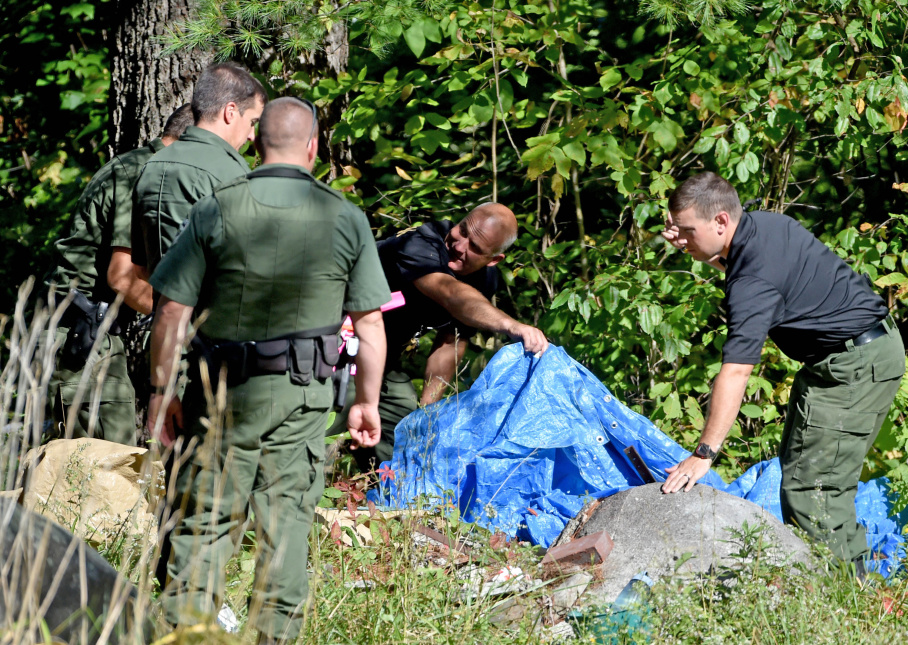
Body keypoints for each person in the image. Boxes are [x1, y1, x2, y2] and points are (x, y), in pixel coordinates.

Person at [147, 96, 390, 644]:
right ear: (313, 146)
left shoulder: (217, 207)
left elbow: (170, 312)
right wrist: (366, 402)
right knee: (285, 532)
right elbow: (370, 325)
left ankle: (186, 635)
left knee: (205, 521)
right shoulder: (345, 216)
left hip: (221, 396)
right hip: (304, 398)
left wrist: (161, 392)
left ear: (256, 144)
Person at [658, 172, 905, 574]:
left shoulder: (752, 279)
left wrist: (704, 454)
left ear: (721, 221)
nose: (680, 239)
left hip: (852, 367)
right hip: (859, 352)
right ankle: (840, 585)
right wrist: (701, 250)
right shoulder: (763, 226)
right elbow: (763, 278)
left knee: (814, 490)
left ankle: (847, 602)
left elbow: (736, 372)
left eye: (687, 231)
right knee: (804, 474)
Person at [329, 203, 549, 469]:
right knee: (313, 420)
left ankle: (382, 498)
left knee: (407, 430)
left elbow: (450, 343)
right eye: (463, 230)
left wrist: (426, 412)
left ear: (493, 260)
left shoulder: (485, 280)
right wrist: (512, 326)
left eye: (475, 247)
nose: (459, 245)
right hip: (331, 347)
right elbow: (449, 293)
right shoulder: (419, 242)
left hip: (380, 362)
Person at [44, 104, 195, 444]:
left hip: (91, 334)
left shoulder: (145, 167)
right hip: (81, 336)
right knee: (103, 465)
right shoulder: (146, 173)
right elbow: (123, 277)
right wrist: (177, 318)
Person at [132, 62, 266, 274]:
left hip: (161, 304)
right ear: (230, 111)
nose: (251, 135)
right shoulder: (231, 174)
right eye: (252, 121)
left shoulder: (151, 166)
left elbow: (140, 268)